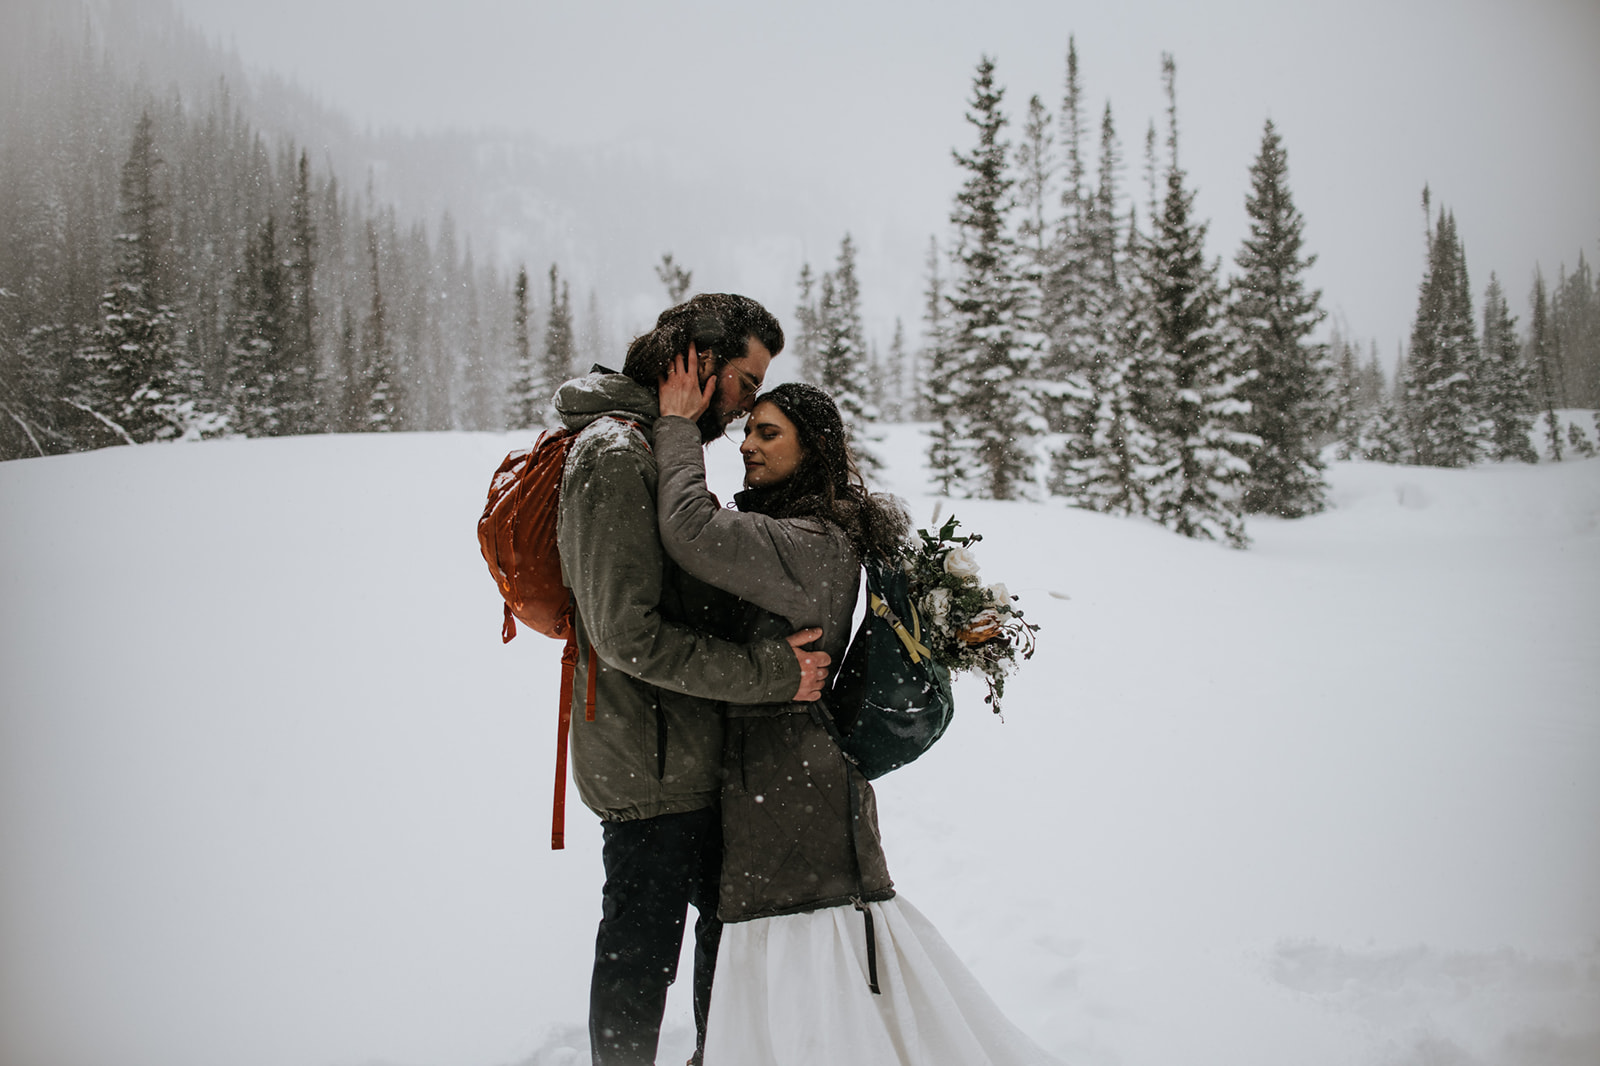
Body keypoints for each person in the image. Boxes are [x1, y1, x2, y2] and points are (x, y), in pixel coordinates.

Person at [653, 358, 1060, 1065]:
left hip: (787, 787)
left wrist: (676, 426)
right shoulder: (795, 530)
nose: (748, 444)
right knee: (783, 958)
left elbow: (689, 528)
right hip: (778, 778)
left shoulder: (808, 542)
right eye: (747, 430)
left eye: (769, 434)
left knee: (802, 966)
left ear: (813, 449)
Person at [553, 294, 835, 1066]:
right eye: (746, 382)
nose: (747, 407)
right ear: (699, 364)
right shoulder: (612, 455)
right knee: (641, 956)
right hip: (647, 760)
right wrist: (773, 673)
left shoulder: (649, 444)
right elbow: (625, 634)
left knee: (724, 934)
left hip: (680, 747)